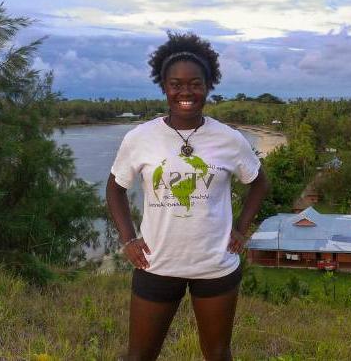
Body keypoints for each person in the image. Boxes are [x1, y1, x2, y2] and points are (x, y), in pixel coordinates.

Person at [106, 32, 269, 361]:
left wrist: (241, 228)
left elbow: (259, 183)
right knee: (139, 356)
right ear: (163, 86)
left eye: (195, 83)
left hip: (215, 265)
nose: (185, 92)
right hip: (156, 263)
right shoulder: (141, 137)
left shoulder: (229, 139)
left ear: (208, 85)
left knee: (218, 355)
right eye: (175, 83)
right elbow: (115, 188)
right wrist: (128, 239)